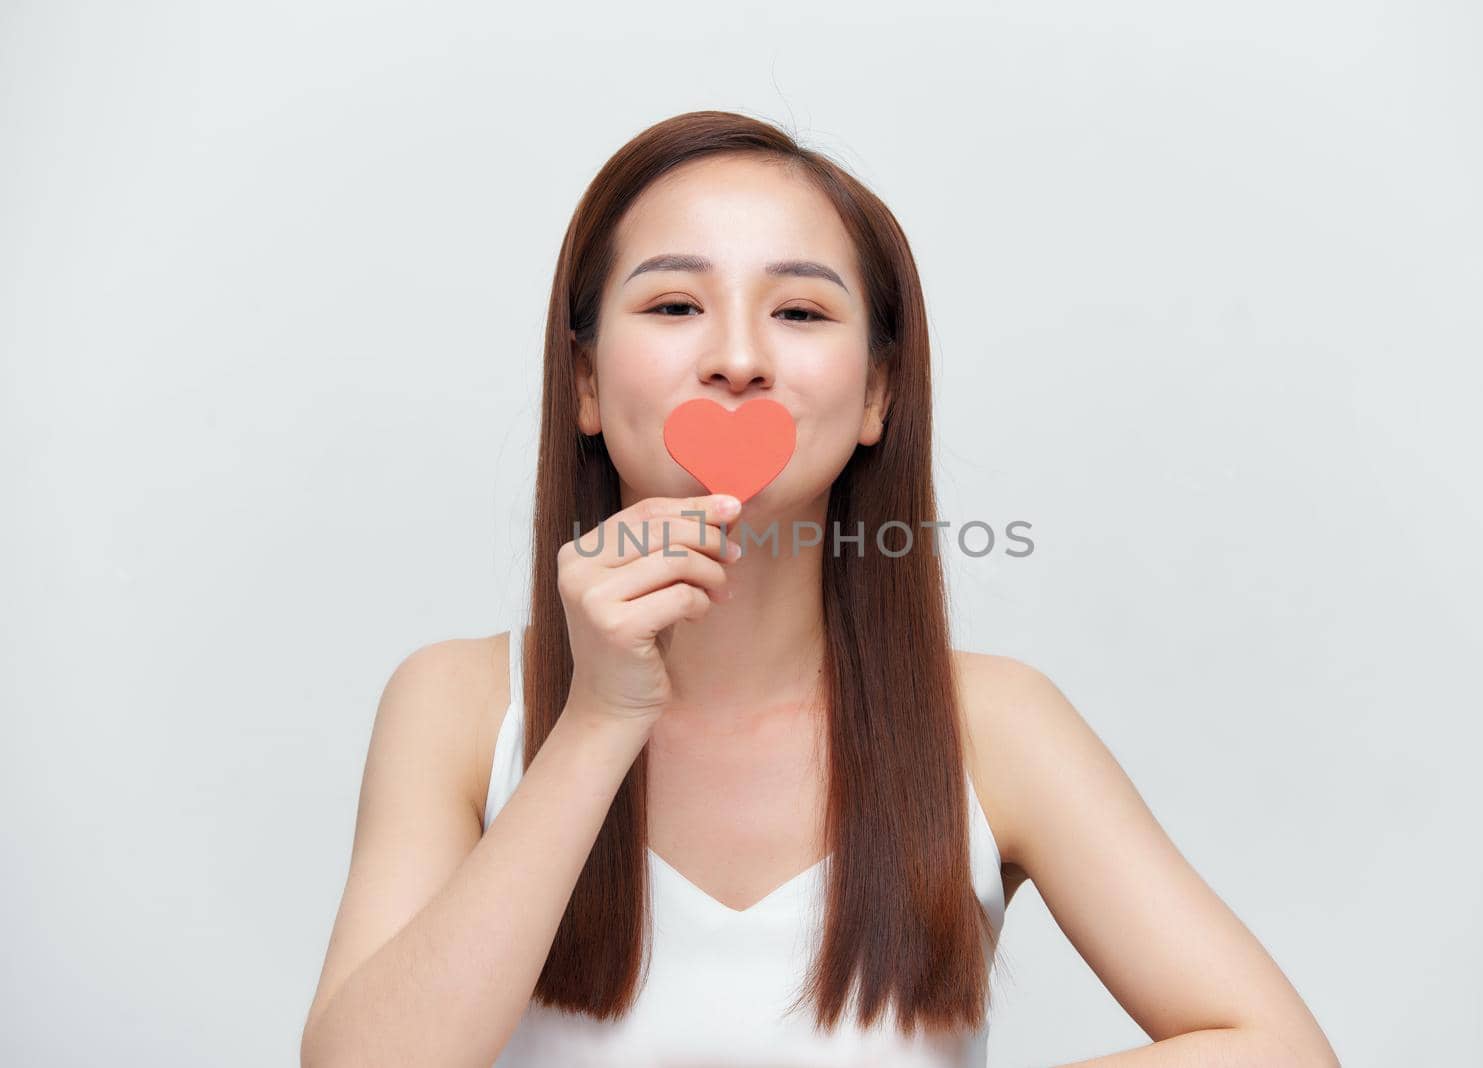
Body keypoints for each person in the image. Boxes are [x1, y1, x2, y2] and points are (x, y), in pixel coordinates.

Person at [300, 111, 1340, 1068]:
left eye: (799, 309)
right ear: (582, 381)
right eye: (673, 304)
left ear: (878, 393)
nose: (740, 357)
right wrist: (598, 720)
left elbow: (1276, 1049)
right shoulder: (457, 706)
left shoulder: (994, 726)